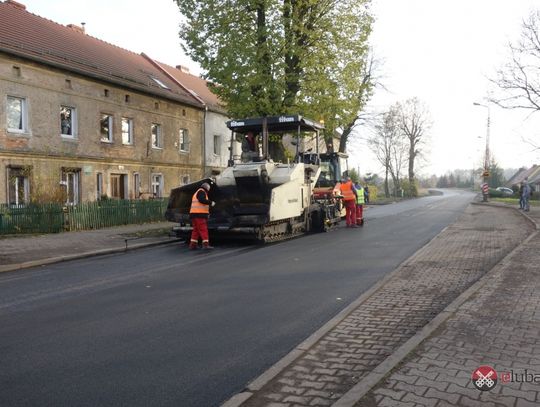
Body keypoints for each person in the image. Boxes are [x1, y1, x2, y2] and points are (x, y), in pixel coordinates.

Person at [189, 182, 215, 250]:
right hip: (199, 215)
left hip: (194, 214)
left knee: (196, 230)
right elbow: (202, 200)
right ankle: (206, 245)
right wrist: (210, 202)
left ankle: (193, 245)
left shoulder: (197, 192)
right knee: (203, 229)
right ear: (207, 188)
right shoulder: (201, 191)